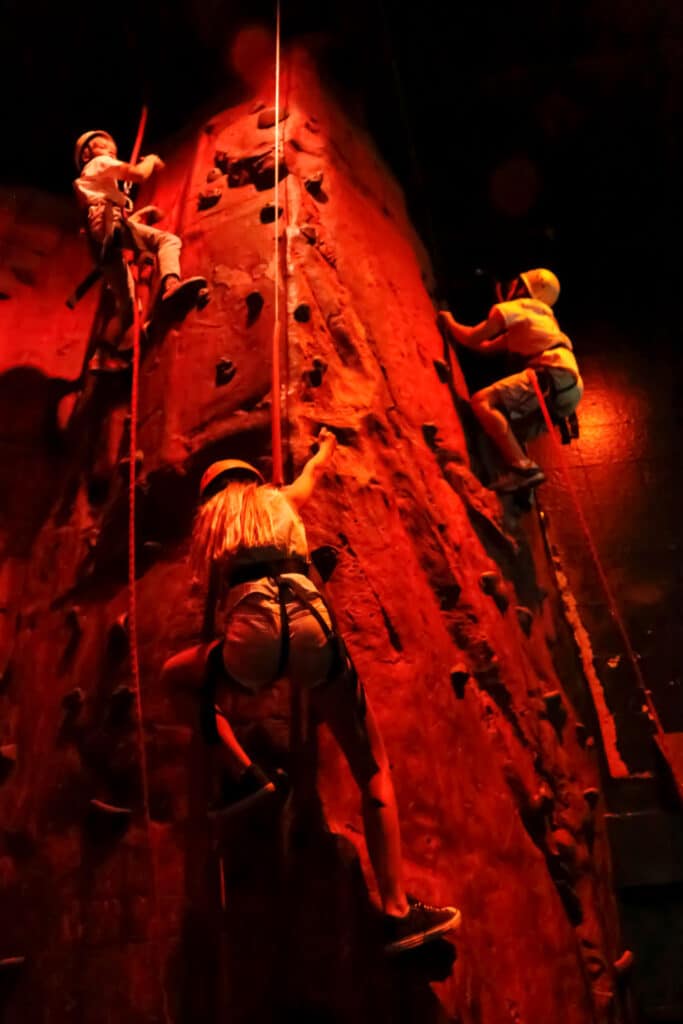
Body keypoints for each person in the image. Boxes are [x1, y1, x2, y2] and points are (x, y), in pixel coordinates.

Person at [165, 428, 461, 954]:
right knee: (373, 766)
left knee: (178, 678)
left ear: (211, 493)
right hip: (309, 627)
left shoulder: (214, 522)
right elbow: (309, 477)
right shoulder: (277, 500)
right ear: (256, 482)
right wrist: (324, 447)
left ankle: (245, 775)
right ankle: (396, 910)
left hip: (250, 636)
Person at [73, 130, 208, 371]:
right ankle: (170, 286)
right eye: (101, 144)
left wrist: (142, 213)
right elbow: (138, 175)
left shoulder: (96, 185)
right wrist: (151, 161)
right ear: (87, 155)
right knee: (168, 241)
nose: (109, 148)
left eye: (111, 146)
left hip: (102, 241)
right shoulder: (99, 164)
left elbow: (115, 223)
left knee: (128, 306)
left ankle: (101, 356)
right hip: (108, 227)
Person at [438, 268, 583, 493]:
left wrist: (448, 320)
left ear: (523, 288)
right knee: (506, 431)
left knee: (482, 402)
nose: (507, 288)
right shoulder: (540, 319)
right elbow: (485, 348)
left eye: (514, 283)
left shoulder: (517, 308)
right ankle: (519, 483)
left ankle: (524, 468)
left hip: (552, 372)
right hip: (569, 387)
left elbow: (473, 338)